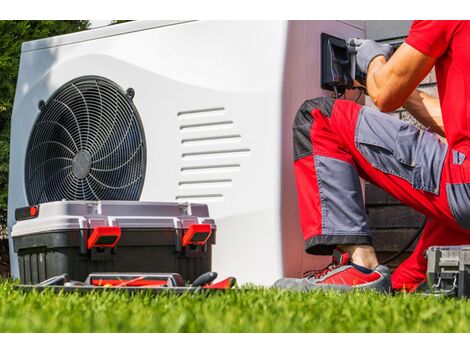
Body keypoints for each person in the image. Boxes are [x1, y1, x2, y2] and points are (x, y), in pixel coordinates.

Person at [274, 20, 470, 292]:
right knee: (406, 285)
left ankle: (360, 266)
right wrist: (391, 83)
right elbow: (456, 123)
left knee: (318, 117)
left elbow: (384, 95)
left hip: (463, 183)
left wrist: (374, 62)